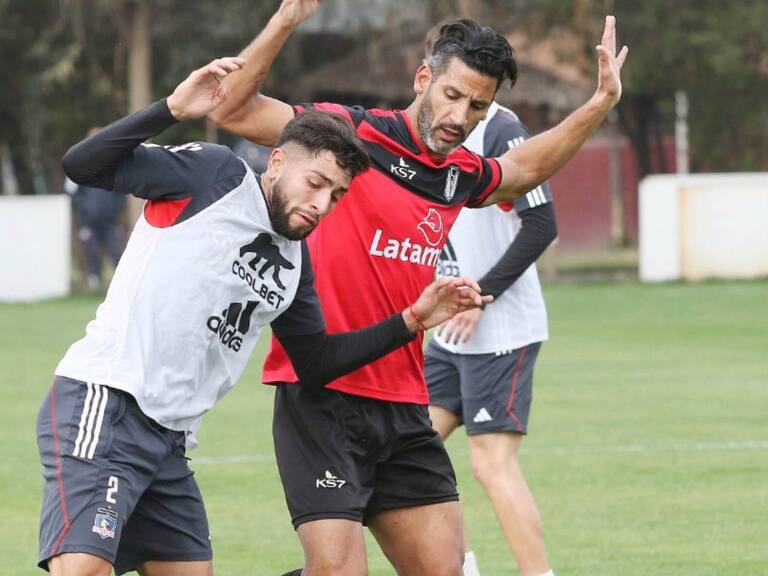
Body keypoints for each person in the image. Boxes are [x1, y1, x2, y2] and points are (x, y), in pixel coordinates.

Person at [210, 2, 627, 574]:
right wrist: (285, 19)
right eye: (452, 95)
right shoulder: (351, 135)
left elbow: (525, 170)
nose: (460, 115)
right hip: (322, 400)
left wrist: (600, 102)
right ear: (424, 78)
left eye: (477, 106)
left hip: (405, 408)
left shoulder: (457, 176)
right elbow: (232, 109)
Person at [37, 56, 489, 576]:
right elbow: (83, 165)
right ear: (277, 164)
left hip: (170, 437)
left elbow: (317, 361)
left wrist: (412, 318)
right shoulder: (216, 175)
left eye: (337, 195)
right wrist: (171, 108)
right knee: (82, 570)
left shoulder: (295, 261)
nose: (322, 204)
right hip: (108, 399)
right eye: (315, 183)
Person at [421, 21, 558, 576]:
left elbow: (542, 223)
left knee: (491, 464)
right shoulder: (424, 132)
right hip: (447, 332)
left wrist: (483, 297)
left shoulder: (501, 132)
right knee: (411, 448)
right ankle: (464, 567)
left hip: (502, 332)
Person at [64, 127, 126, 290]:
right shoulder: (78, 163)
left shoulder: (112, 163)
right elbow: (71, 192)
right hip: (88, 221)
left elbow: (121, 191)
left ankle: (122, 285)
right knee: (91, 253)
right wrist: (86, 207)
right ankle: (94, 284)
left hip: (109, 221)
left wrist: (114, 208)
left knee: (117, 252)